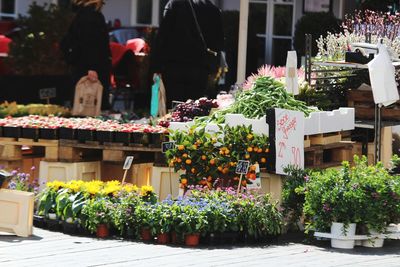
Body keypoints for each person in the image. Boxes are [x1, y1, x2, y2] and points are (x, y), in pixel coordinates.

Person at [151, 0, 224, 108]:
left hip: (174, 67)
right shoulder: (213, 8)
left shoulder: (174, 4)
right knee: (194, 109)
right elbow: (219, 42)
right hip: (201, 68)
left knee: (174, 108)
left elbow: (162, 37)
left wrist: (155, 66)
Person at [61, 0, 112, 110]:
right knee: (92, 107)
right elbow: (91, 44)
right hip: (92, 69)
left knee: (83, 106)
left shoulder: (81, 15)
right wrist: (92, 67)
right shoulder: (92, 16)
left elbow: (67, 42)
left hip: (82, 67)